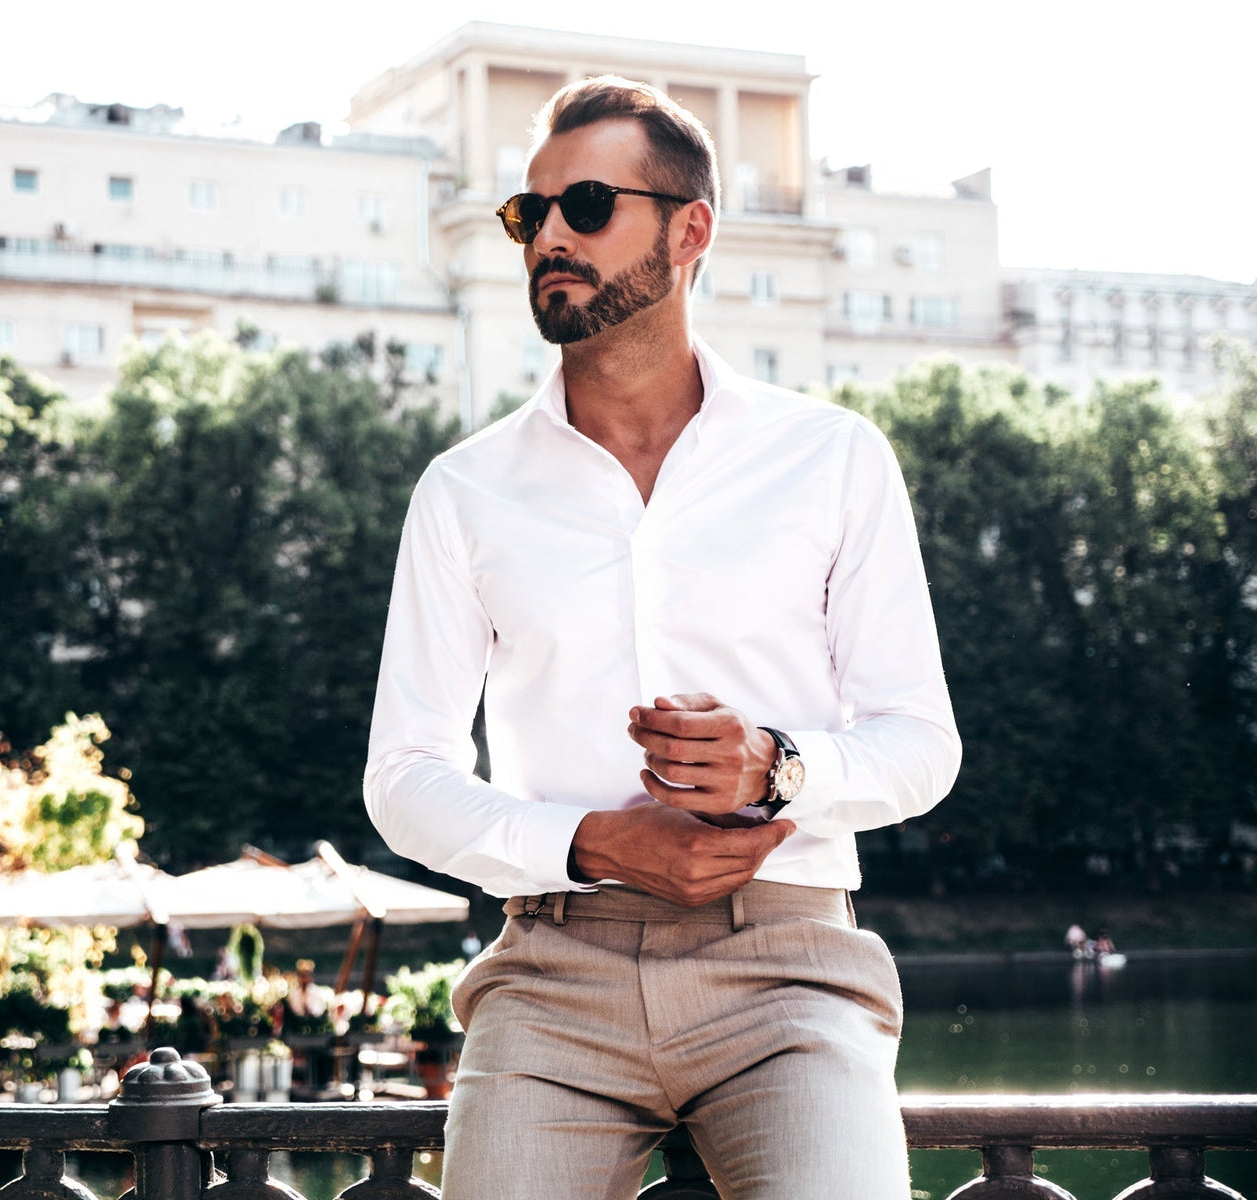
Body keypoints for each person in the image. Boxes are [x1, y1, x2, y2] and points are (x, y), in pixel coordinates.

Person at [364, 76, 960, 1200]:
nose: (547, 234)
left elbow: (922, 745)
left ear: (691, 231)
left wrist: (776, 766)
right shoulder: (464, 490)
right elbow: (403, 778)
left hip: (788, 971)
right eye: (526, 213)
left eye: (586, 204)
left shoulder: (831, 458)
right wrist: (592, 842)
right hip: (551, 975)